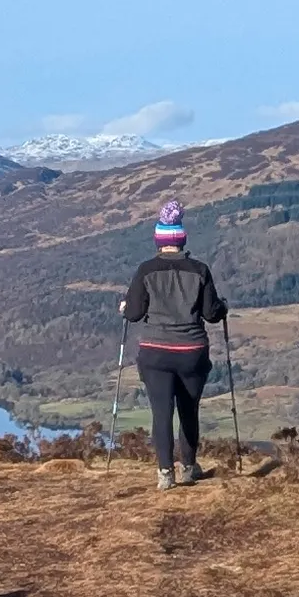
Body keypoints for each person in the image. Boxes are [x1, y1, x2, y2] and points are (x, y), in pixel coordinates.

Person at [119, 199, 229, 487]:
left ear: (158, 240)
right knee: (189, 411)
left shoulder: (146, 270)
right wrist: (223, 307)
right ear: (182, 239)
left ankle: (165, 474)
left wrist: (123, 307)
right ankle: (189, 468)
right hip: (192, 352)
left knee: (161, 412)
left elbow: (133, 313)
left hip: (155, 353)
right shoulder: (200, 270)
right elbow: (211, 313)